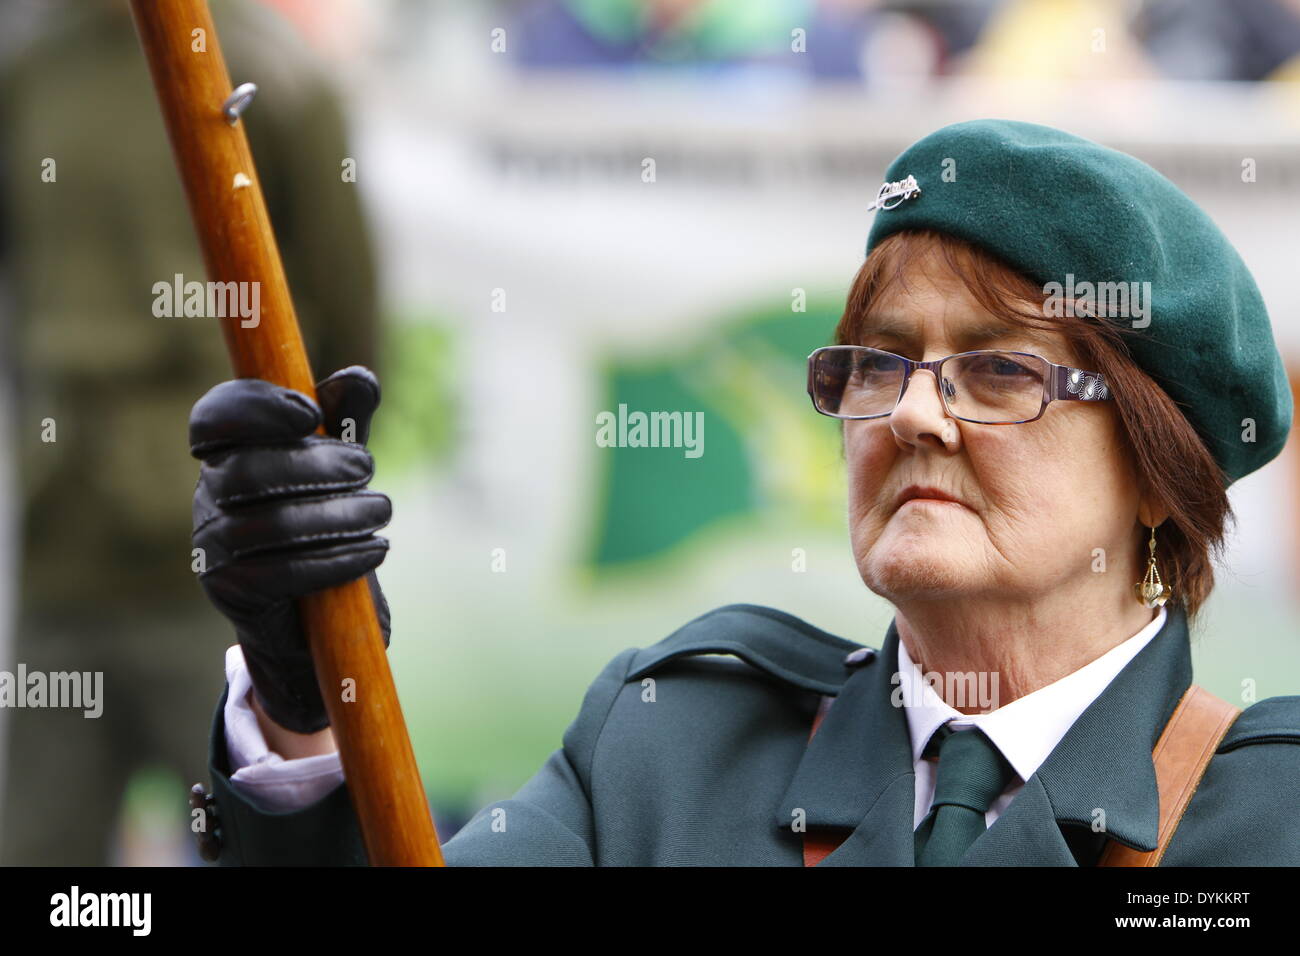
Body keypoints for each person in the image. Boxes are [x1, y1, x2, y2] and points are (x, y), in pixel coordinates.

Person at [188, 119, 1297, 866]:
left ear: (1161, 471)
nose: (910, 414)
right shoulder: (662, 747)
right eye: (879, 362)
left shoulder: (1269, 814)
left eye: (999, 369)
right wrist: (305, 703)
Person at [0, 0, 380, 865]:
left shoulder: (267, 77)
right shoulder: (31, 75)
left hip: (221, 567)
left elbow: (349, 331)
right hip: (64, 555)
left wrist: (298, 538)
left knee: (265, 837)